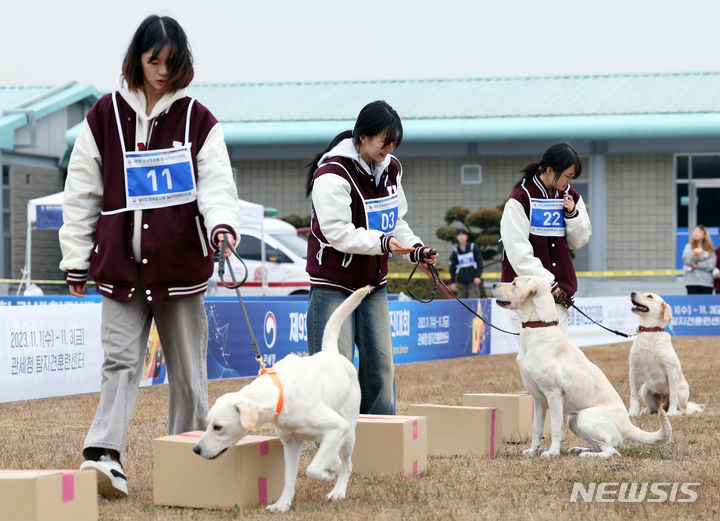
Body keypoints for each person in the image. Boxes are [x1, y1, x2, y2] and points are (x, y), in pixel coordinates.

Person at [58, 15, 241, 498]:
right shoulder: (102, 117)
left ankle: (191, 456)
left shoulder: (200, 120)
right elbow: (81, 194)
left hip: (181, 270)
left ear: (184, 64)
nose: (162, 70)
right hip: (119, 266)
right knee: (119, 362)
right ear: (136, 59)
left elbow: (217, 186)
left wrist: (222, 227)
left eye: (171, 61)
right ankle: (103, 455)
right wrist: (76, 258)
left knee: (187, 372)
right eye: (152, 60)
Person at [304, 100, 438, 415]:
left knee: (381, 365)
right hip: (332, 284)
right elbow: (337, 232)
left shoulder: (390, 168)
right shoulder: (332, 173)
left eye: (393, 144)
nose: (388, 149)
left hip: (373, 285)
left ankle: (382, 434)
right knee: (334, 369)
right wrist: (384, 242)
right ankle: (330, 440)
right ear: (362, 137)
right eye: (384, 142)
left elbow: (396, 221)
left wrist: (415, 248)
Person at [499, 142, 591, 333]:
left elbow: (579, 241)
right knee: (533, 358)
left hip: (560, 295)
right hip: (527, 296)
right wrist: (548, 282)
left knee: (557, 357)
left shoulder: (571, 196)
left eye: (572, 177)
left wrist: (572, 215)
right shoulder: (519, 199)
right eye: (567, 176)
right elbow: (518, 251)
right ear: (549, 170)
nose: (569, 182)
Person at [449, 228, 484, 298]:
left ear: (466, 237)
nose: (461, 237)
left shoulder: (473, 247)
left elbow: (480, 262)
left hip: (473, 280)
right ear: (457, 237)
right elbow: (452, 267)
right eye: (459, 235)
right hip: (461, 282)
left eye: (463, 235)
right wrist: (452, 281)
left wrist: (478, 276)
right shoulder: (455, 251)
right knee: (462, 303)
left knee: (473, 301)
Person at [682, 225, 716, 294]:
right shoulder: (688, 246)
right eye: (694, 231)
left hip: (707, 283)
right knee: (692, 304)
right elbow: (687, 261)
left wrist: (697, 265)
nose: (696, 233)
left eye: (699, 231)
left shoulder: (710, 248)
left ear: (704, 235)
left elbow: (711, 265)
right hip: (692, 282)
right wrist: (694, 254)